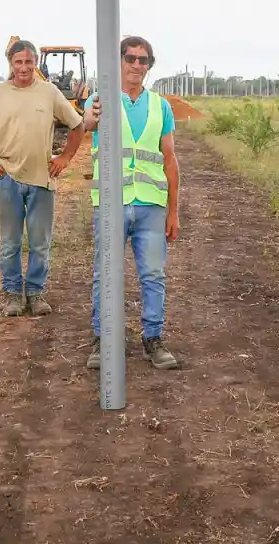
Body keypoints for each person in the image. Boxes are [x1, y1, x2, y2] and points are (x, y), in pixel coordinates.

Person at [0, 39, 86, 316]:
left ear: (36, 63)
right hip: (7, 179)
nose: (24, 67)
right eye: (18, 62)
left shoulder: (50, 92)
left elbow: (77, 125)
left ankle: (35, 293)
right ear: (11, 64)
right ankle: (12, 295)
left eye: (29, 62)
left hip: (42, 179)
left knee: (40, 243)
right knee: (11, 243)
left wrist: (65, 157)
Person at [81, 36, 181, 370]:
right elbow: (87, 124)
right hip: (111, 203)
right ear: (119, 61)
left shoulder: (160, 106)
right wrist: (90, 117)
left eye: (143, 60)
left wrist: (173, 211)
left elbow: (169, 158)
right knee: (106, 273)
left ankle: (153, 338)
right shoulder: (100, 100)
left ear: (150, 65)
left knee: (153, 275)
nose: (137, 65)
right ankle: (103, 339)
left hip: (151, 205)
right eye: (131, 58)